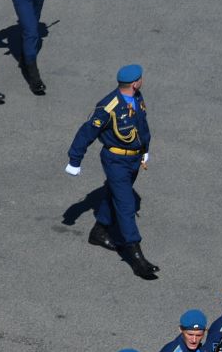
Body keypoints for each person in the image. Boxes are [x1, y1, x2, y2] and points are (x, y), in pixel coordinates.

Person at [66, 64, 156, 280]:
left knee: (113, 194)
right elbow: (86, 131)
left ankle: (99, 231)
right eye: (141, 79)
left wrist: (145, 150)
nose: (142, 81)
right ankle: (136, 256)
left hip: (133, 158)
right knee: (126, 205)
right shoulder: (109, 107)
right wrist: (75, 160)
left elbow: (141, 126)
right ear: (135, 83)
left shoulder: (137, 98)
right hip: (116, 160)